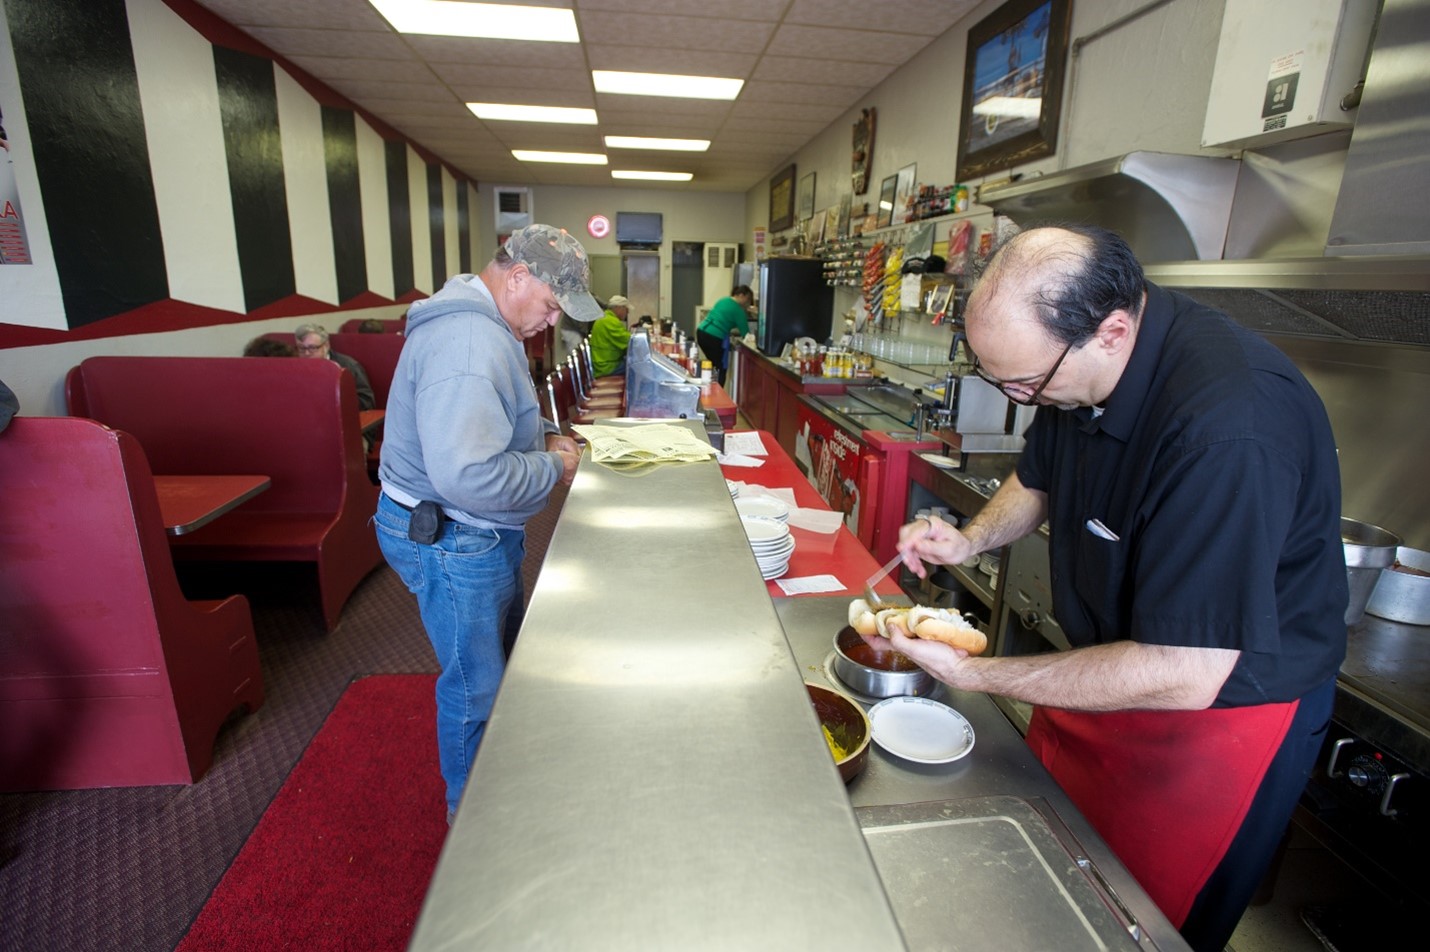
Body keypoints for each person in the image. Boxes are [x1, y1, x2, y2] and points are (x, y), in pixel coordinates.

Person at [875, 224, 1346, 952]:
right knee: (1059, 877)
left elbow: (1184, 669)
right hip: (1114, 671)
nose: (1019, 396)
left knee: (1137, 925)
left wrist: (974, 673)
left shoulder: (1229, 430)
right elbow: (1040, 476)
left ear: (1113, 330)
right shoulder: (1081, 366)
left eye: (1026, 384)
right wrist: (970, 537)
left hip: (1217, 718)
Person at [373, 224, 597, 823]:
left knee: (498, 658)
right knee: (477, 682)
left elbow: (489, 427)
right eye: (552, 306)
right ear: (518, 276)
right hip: (453, 535)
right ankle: (474, 826)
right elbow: (469, 475)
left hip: (469, 527)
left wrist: (541, 436)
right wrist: (551, 466)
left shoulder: (485, 322)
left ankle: (500, 781)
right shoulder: (469, 346)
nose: (552, 322)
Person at [294, 322, 375, 410]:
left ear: (326, 346)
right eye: (301, 348)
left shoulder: (348, 365)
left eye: (312, 348)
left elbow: (367, 402)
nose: (306, 353)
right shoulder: (293, 367)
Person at [696, 285, 753, 387]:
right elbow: (746, 334)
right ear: (741, 295)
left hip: (701, 332)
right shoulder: (738, 310)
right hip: (714, 337)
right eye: (747, 299)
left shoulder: (723, 300)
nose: (747, 303)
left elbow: (721, 318)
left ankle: (710, 387)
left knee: (713, 365)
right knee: (720, 368)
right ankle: (717, 394)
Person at [589, 294, 632, 377]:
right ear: (619, 308)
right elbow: (629, 341)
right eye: (626, 310)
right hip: (607, 367)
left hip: (604, 362)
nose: (627, 313)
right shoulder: (610, 321)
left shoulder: (605, 318)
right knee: (637, 367)